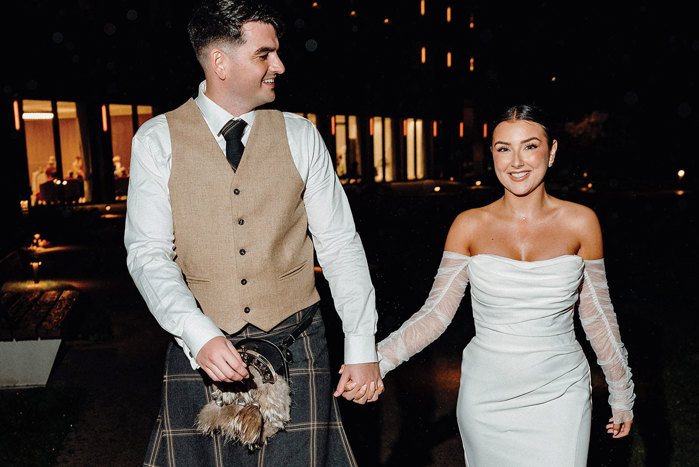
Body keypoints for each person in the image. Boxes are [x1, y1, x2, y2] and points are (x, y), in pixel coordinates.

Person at [124, 1, 383, 465]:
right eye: (265, 54)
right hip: (202, 347)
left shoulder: (302, 136)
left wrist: (361, 347)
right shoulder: (156, 139)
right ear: (220, 62)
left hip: (297, 341)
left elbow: (341, 246)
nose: (279, 65)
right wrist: (197, 334)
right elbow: (147, 253)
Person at [375, 105, 635, 466]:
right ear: (492, 154)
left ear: (552, 151)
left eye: (529, 146)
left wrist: (621, 392)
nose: (516, 162)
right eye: (503, 148)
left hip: (561, 393)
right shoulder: (468, 225)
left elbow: (598, 316)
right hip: (487, 397)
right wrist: (374, 362)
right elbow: (435, 315)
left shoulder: (581, 223)